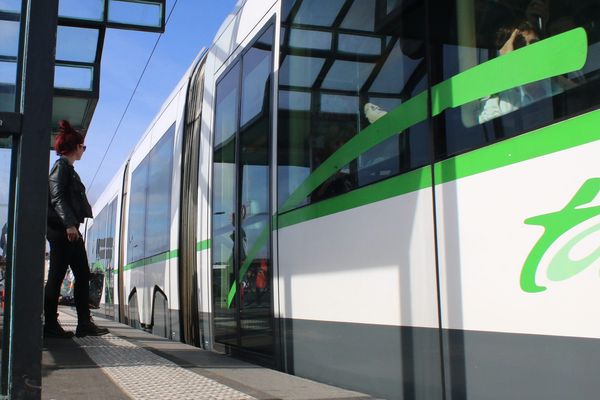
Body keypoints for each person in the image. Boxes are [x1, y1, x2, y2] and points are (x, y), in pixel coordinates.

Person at [45, 120, 109, 338]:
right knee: (57, 276)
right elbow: (57, 198)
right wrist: (70, 225)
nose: (84, 150)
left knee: (81, 274)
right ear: (75, 147)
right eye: (83, 146)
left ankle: (83, 323)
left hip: (68, 232)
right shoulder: (61, 168)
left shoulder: (67, 169)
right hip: (64, 232)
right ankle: (52, 326)